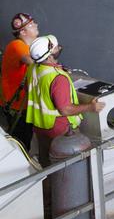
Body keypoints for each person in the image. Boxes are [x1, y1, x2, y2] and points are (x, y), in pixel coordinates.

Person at [25, 35, 104, 164]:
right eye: (55, 47)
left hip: (41, 126)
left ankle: (47, 182)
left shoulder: (33, 69)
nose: (58, 47)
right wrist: (91, 107)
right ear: (49, 57)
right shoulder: (58, 78)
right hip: (60, 130)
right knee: (66, 166)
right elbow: (65, 109)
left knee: (46, 160)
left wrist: (57, 67)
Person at [1, 13, 40, 152]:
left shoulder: (27, 46)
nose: (35, 25)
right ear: (22, 31)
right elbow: (33, 63)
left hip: (22, 105)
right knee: (20, 145)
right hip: (17, 107)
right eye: (31, 24)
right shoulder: (17, 45)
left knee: (25, 141)